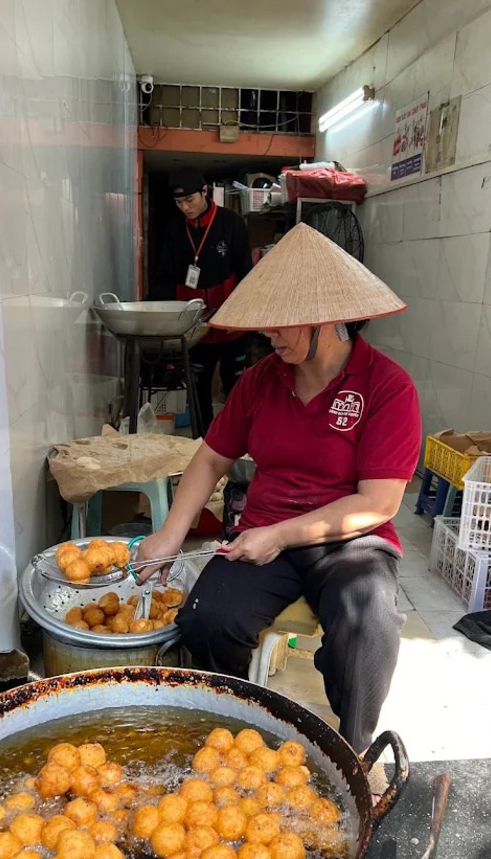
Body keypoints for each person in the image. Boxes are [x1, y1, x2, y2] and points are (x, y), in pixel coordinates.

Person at [138, 223, 420, 758]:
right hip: (264, 527)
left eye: (284, 323)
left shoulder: (387, 387)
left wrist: (284, 536)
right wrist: (171, 535)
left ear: (331, 320)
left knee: (368, 627)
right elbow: (211, 459)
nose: (271, 334)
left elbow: (378, 503)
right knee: (206, 619)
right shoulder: (260, 380)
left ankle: (353, 752)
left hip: (351, 539)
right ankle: (229, 736)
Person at [153, 168, 253, 432]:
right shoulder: (175, 229)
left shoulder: (231, 223)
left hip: (230, 327)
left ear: (205, 192)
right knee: (197, 392)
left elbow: (246, 274)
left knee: (236, 390)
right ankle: (202, 444)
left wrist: (241, 318)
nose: (185, 207)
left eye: (190, 200)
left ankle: (238, 444)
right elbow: (165, 276)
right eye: (179, 202)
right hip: (195, 330)